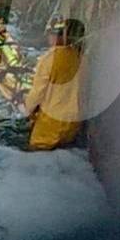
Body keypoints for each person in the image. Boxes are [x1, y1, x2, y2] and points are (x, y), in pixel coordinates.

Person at [23, 16, 86, 151]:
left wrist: (27, 110)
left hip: (51, 122)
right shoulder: (78, 56)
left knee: (37, 157)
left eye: (51, 34)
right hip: (73, 121)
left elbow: (38, 92)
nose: (49, 38)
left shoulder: (49, 58)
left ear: (59, 36)